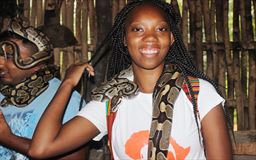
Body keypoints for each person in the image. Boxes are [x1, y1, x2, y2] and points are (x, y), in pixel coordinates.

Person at [29, 0, 232, 159]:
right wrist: (67, 84)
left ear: (171, 38)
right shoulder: (109, 103)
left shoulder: (198, 93)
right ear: (125, 39)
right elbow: (41, 149)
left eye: (161, 29)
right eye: (138, 29)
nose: (150, 37)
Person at [0, 17, 88, 159]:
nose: (0, 63)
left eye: (10, 56)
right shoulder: (3, 96)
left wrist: (7, 138)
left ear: (37, 64)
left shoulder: (66, 100)